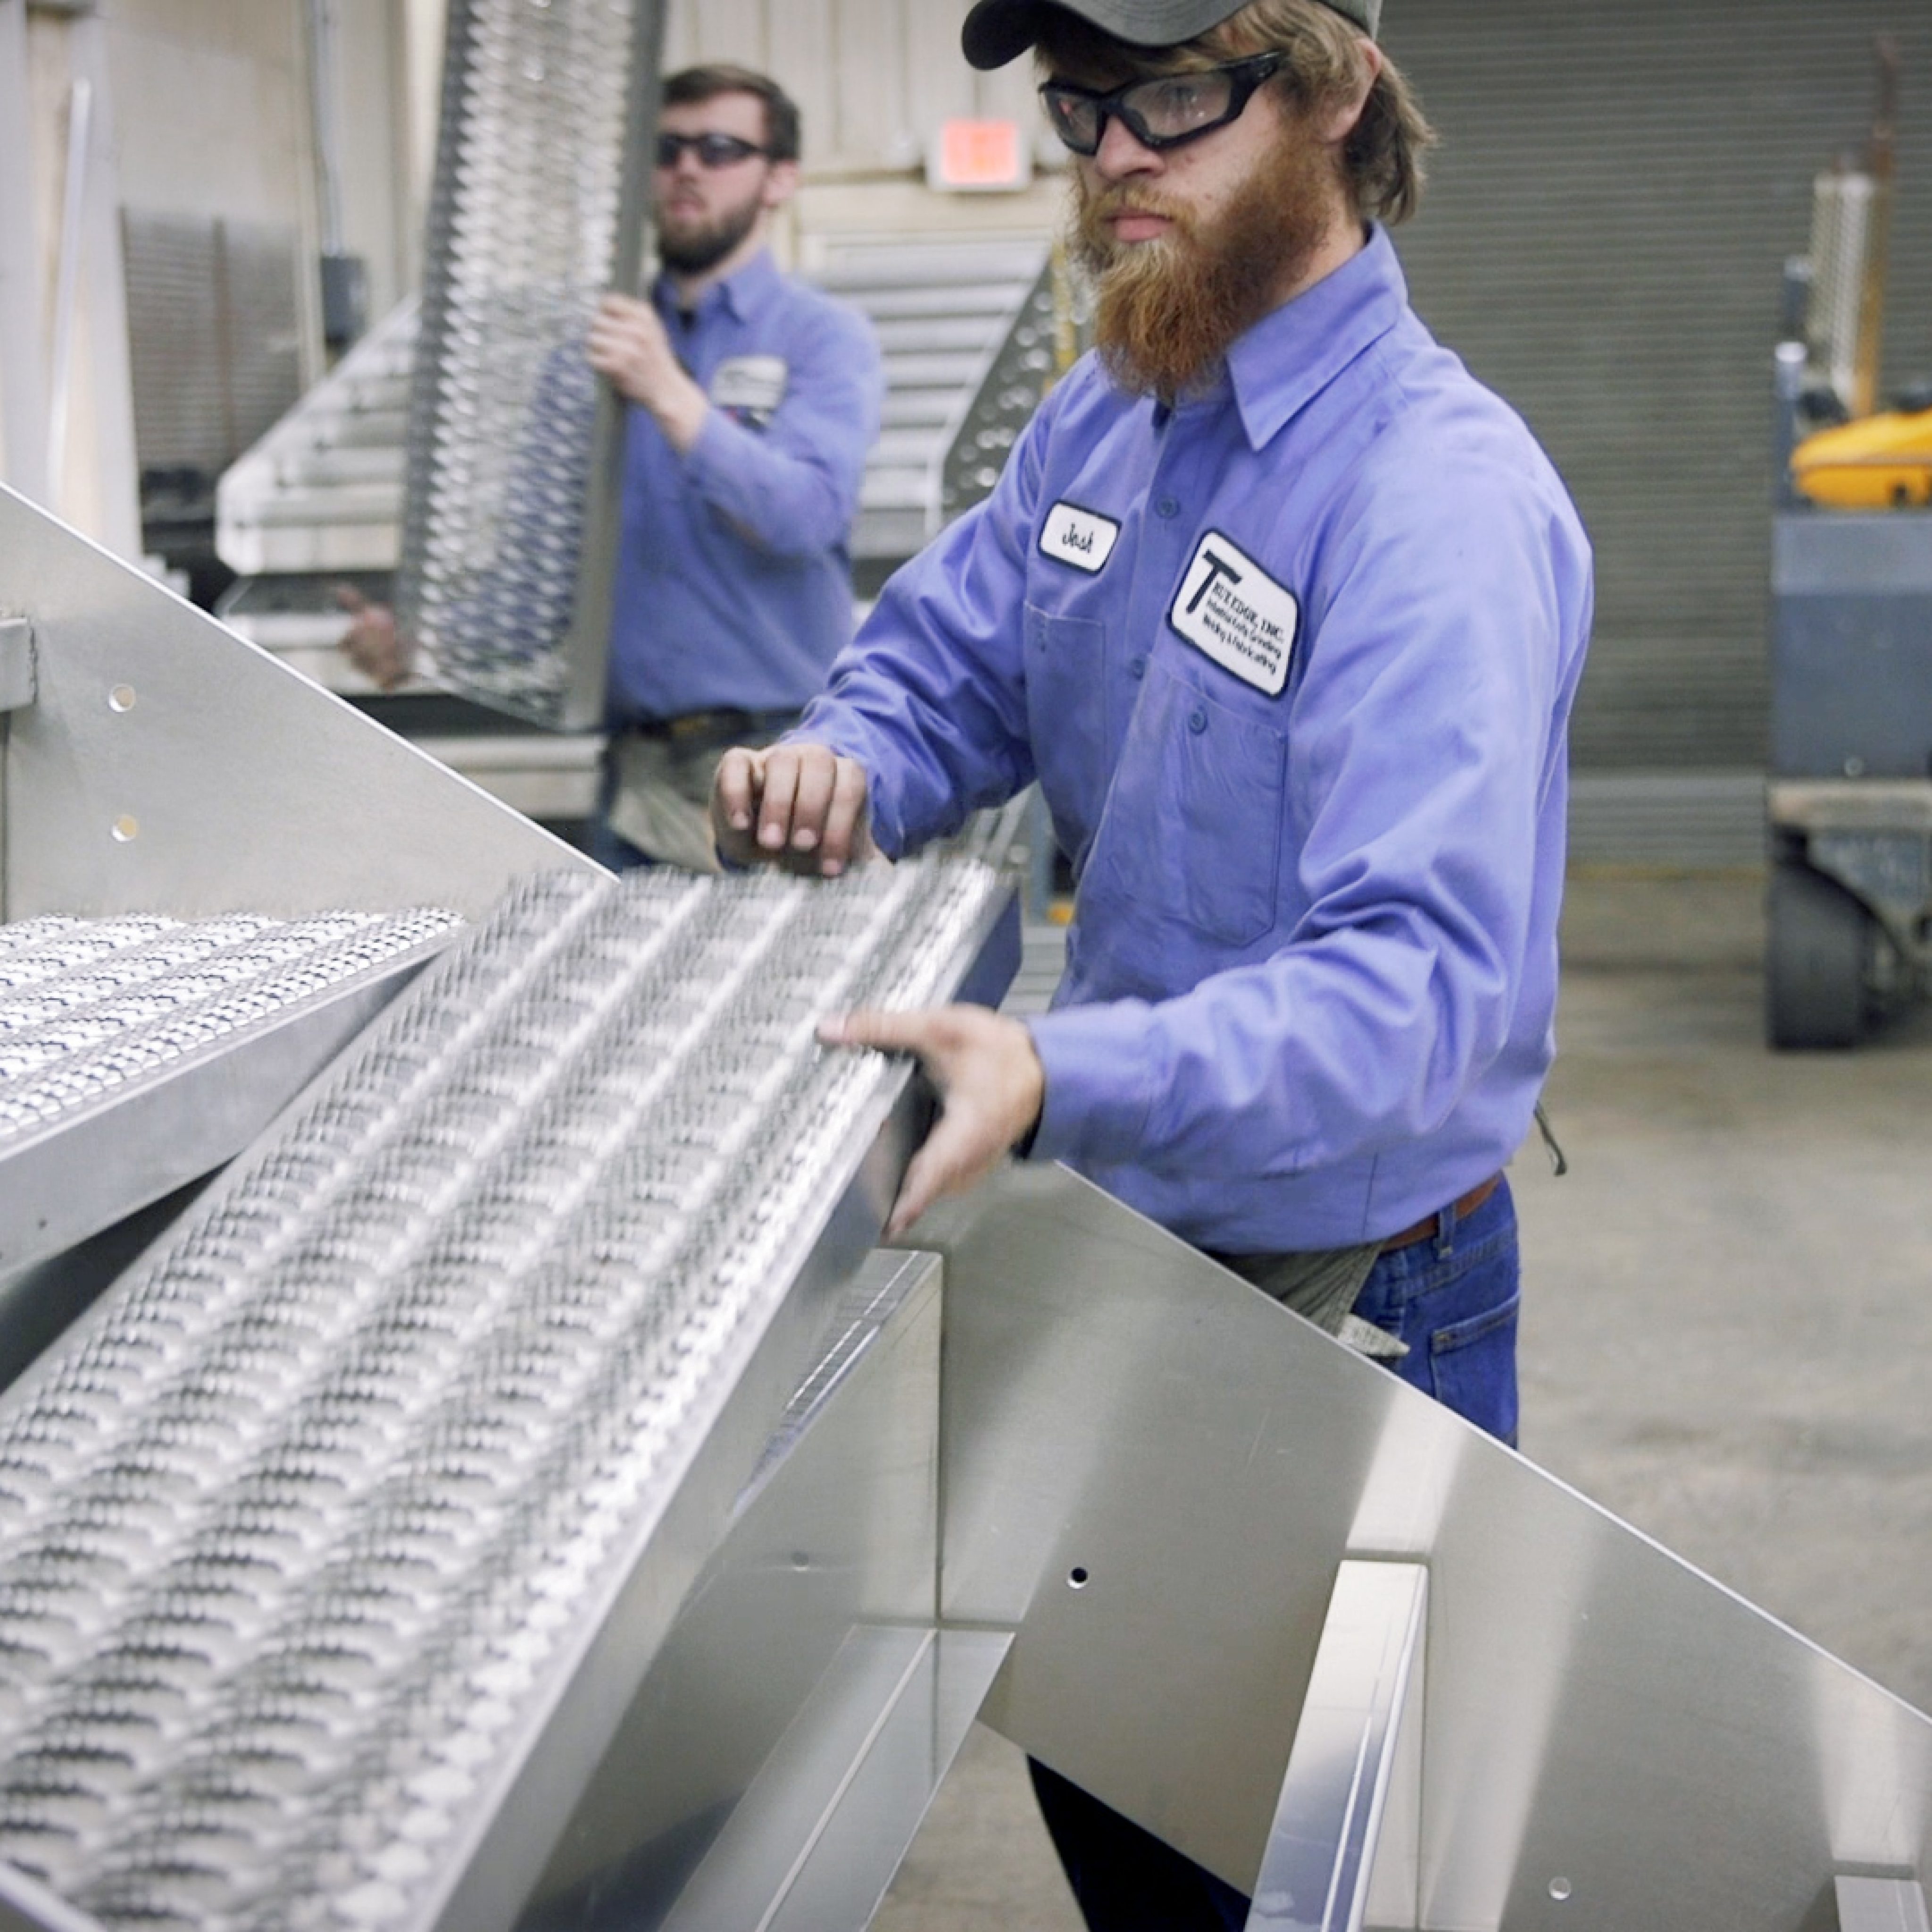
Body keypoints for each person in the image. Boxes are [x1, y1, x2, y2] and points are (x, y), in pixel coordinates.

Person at [711, 0, 1592, 1924]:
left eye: (1175, 96)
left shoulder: (1428, 502)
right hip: (1127, 1245)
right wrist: (838, 764)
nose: (1110, 152)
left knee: (1308, 1868)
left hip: (1344, 1288)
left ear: (1337, 90)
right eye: (1078, 103)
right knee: (1131, 1810)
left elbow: (1419, 995)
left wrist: (1059, 1073)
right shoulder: (1110, 412)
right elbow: (952, 662)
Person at [347, 65, 883, 874]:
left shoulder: (822, 339)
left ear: (781, 179)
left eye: (720, 148)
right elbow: (536, 596)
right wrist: (425, 641)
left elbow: (805, 514)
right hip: (635, 789)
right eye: (665, 149)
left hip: (787, 770)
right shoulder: (588, 363)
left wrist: (669, 394)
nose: (687, 169)